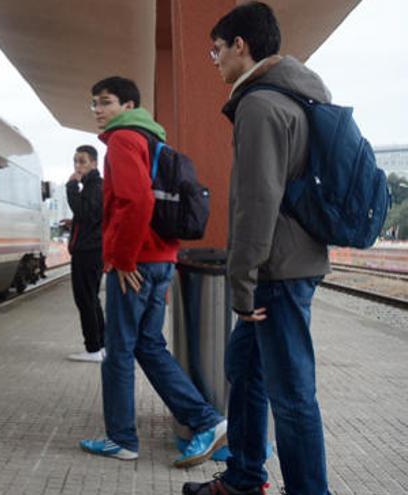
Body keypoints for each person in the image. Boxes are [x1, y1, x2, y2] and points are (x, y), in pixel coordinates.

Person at [183, 3, 332, 494]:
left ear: (240, 47)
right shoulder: (290, 98)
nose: (216, 59)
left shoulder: (260, 105)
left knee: (291, 396)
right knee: (243, 372)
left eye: (217, 49)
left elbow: (256, 203)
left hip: (277, 273)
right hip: (286, 264)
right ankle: (244, 477)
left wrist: (241, 288)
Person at [78, 76, 226, 467]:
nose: (98, 110)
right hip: (161, 261)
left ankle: (121, 439)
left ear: (128, 106)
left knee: (119, 352)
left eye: (105, 102)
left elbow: (137, 200)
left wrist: (123, 259)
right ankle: (207, 421)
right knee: (148, 345)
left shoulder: (125, 140)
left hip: (136, 265)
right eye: (94, 103)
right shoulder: (154, 140)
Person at [65, 145, 106, 362]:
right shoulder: (94, 186)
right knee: (92, 299)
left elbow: (83, 211)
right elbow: (90, 216)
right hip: (92, 250)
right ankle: (101, 344)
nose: (78, 166)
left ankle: (93, 349)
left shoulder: (94, 186)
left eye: (82, 161)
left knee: (85, 300)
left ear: (94, 163)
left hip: (88, 252)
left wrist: (71, 186)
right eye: (75, 161)